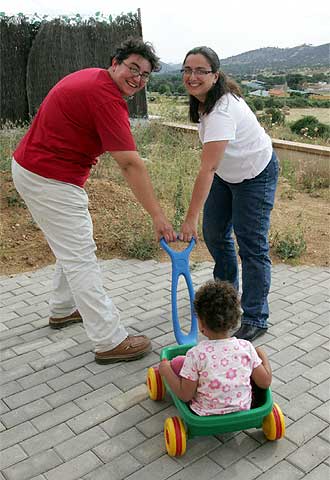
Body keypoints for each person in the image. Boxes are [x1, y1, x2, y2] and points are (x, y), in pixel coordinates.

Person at [12, 38, 176, 364]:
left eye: (145, 75)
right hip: (51, 179)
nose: (138, 79)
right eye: (133, 68)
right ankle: (109, 339)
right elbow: (131, 163)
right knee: (81, 257)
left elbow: (73, 124)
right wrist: (158, 216)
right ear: (115, 63)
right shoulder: (106, 98)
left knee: (70, 247)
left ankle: (62, 309)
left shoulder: (95, 79)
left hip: (37, 169)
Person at [178, 46, 279, 341]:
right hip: (227, 174)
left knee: (251, 245)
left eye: (200, 71)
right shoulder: (204, 101)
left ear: (215, 75)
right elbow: (213, 167)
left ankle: (256, 316)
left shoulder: (222, 110)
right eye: (187, 70)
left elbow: (206, 169)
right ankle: (226, 296)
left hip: (255, 175)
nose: (192, 76)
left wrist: (189, 220)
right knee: (214, 233)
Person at [159, 280, 272, 415]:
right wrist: (262, 355)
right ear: (234, 319)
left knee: (177, 363)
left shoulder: (195, 354)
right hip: (243, 409)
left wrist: (166, 371)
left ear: (201, 324)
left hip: (205, 412)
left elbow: (185, 395)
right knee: (249, 369)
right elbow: (265, 382)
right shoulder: (246, 347)